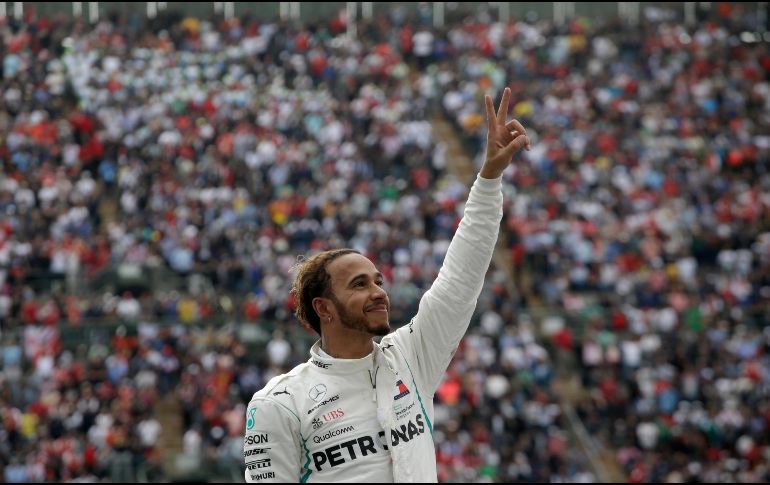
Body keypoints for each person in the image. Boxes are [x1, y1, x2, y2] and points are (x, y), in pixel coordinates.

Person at [243, 87, 530, 483]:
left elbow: (460, 278)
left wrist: (489, 178)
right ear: (323, 307)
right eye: (359, 285)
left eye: (378, 281)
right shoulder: (280, 403)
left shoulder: (412, 358)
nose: (378, 292)